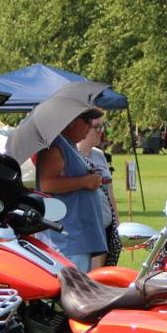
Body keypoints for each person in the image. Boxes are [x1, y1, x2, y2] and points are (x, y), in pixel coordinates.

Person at [35, 108, 107, 272]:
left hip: (76, 238)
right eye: (87, 122)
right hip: (66, 240)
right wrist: (85, 182)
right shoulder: (56, 146)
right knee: (73, 294)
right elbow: (47, 183)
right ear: (71, 120)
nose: (90, 128)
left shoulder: (69, 145)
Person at [77, 119, 122, 267]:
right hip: (85, 231)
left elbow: (109, 193)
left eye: (102, 126)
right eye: (96, 127)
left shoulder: (99, 155)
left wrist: (117, 225)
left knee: (101, 277)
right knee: (89, 278)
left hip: (105, 229)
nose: (100, 131)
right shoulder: (72, 156)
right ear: (83, 128)